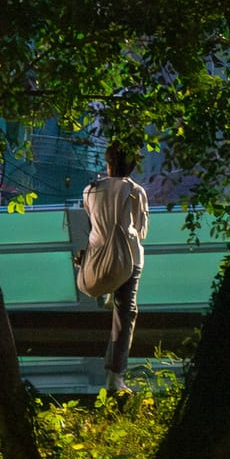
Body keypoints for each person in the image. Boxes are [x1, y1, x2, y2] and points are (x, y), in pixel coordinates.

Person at [76, 141, 148, 394]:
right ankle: (115, 376)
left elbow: (93, 223)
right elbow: (141, 231)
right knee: (126, 312)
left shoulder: (90, 190)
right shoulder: (135, 191)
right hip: (128, 259)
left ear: (107, 163)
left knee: (118, 300)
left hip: (97, 258)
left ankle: (108, 290)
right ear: (132, 165)